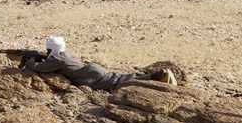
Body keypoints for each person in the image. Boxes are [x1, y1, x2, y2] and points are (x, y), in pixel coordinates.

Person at [22, 35, 178, 91]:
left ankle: (159, 77)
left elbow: (39, 68)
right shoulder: (65, 55)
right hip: (94, 70)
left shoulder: (57, 59)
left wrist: (30, 61)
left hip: (92, 77)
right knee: (122, 77)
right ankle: (155, 76)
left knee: (121, 83)